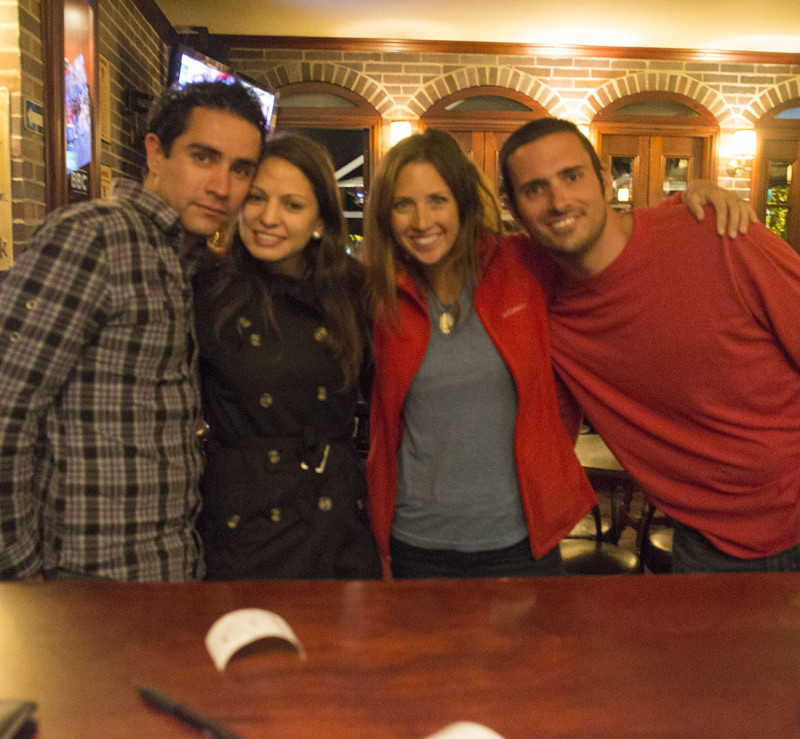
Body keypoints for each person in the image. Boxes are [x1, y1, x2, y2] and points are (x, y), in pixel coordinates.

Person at [499, 117, 800, 574]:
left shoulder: (717, 232)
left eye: (572, 176)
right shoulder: (536, 294)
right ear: (513, 209)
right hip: (709, 546)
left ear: (602, 179)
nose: (559, 201)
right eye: (535, 189)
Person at [0, 81, 266, 581]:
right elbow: (7, 407)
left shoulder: (188, 262)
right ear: (155, 152)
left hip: (168, 569)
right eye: (203, 157)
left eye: (240, 168)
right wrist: (17, 569)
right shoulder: (95, 236)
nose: (222, 186)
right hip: (84, 576)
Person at [364, 129, 597, 579]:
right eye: (402, 204)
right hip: (416, 543)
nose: (421, 220)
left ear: (464, 203)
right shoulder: (375, 293)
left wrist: (688, 206)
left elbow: (607, 247)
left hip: (521, 539)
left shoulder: (524, 265)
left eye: (438, 200)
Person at [194, 133, 381, 580]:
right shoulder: (208, 288)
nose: (268, 218)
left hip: (337, 513)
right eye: (256, 198)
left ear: (320, 221)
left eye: (292, 205)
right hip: (244, 514)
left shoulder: (356, 291)